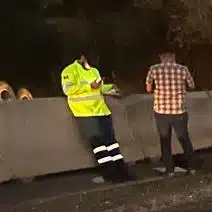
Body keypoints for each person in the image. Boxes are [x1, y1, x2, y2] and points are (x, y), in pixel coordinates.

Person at [60, 52, 133, 183]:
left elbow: (98, 89)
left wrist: (111, 88)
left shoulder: (94, 71)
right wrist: (88, 86)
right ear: (82, 57)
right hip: (84, 113)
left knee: (111, 142)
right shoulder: (69, 71)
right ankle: (110, 173)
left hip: (101, 111)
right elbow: (67, 90)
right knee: (98, 144)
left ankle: (122, 171)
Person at [145, 50, 196, 176]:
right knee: (184, 139)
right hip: (179, 110)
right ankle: (192, 167)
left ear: (161, 57)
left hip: (161, 111)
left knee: (165, 140)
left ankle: (170, 170)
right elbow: (192, 85)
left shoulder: (154, 69)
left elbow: (148, 88)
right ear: (173, 56)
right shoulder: (183, 69)